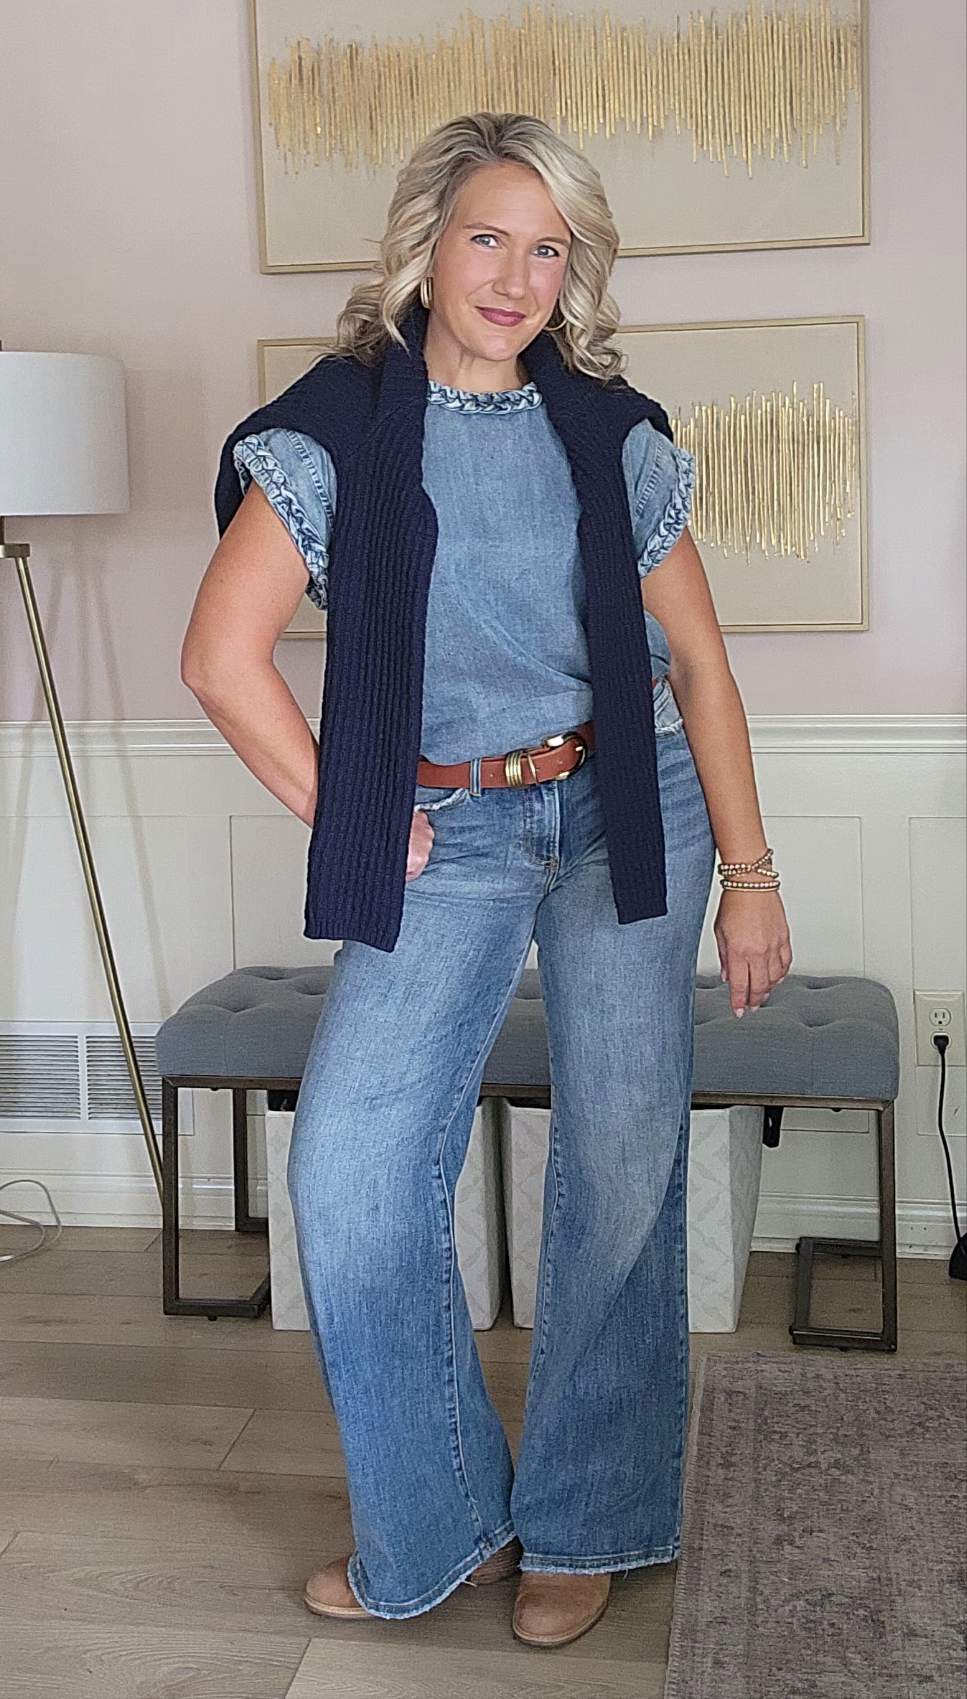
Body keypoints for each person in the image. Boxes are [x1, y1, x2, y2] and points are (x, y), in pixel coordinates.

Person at [182, 111, 793, 1650]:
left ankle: (586, 1514)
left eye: (547, 246)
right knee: (353, 1176)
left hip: (617, 805)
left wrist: (750, 871)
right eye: (487, 237)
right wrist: (350, 806)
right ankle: (441, 1515)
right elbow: (218, 655)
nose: (516, 274)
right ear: (424, 244)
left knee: (622, 1155)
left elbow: (700, 667)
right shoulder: (334, 427)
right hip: (445, 826)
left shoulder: (605, 426)